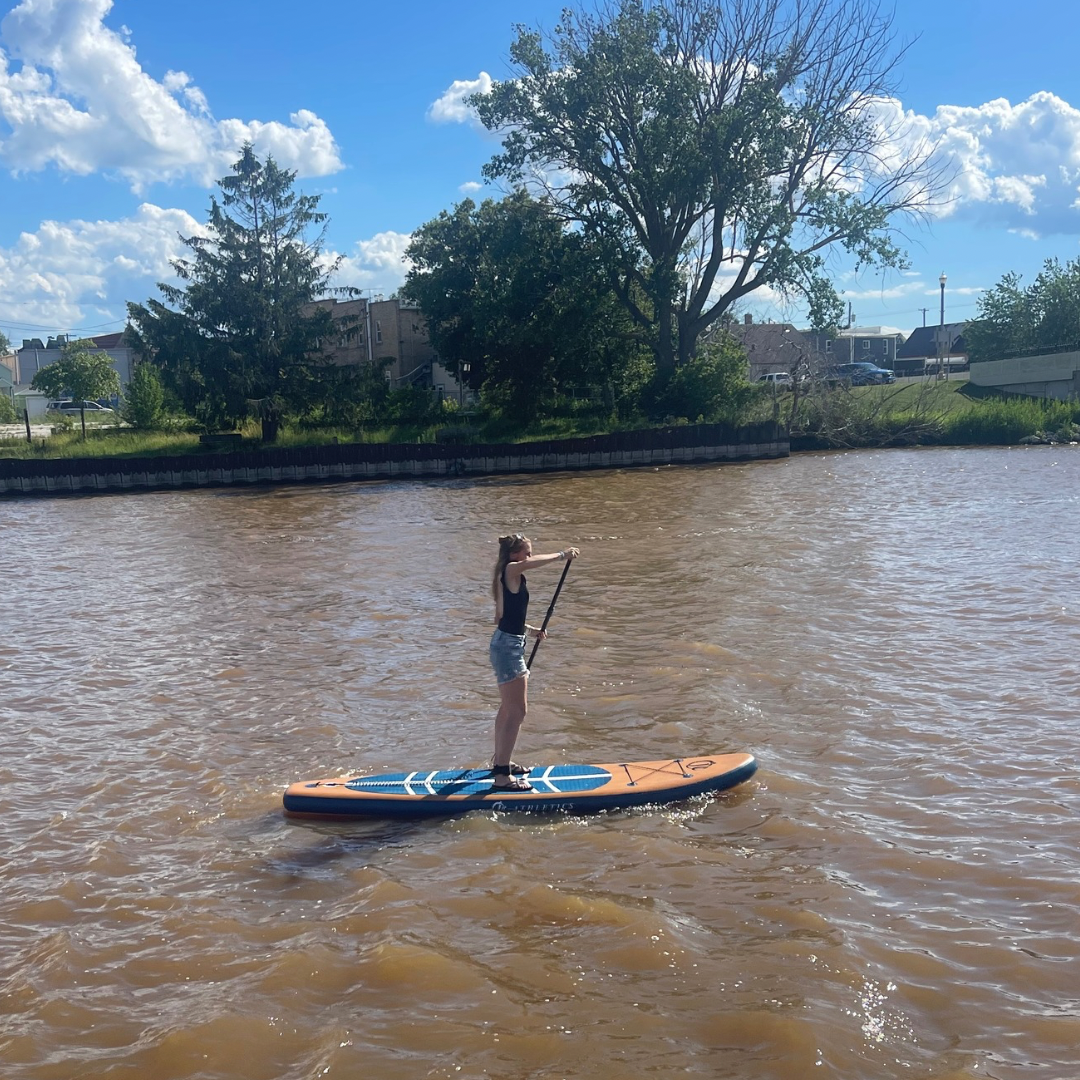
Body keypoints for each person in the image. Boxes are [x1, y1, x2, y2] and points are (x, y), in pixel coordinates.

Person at [489, 533, 579, 791]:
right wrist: (562, 555)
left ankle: (500, 762)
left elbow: (502, 619)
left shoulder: (506, 577)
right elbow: (531, 563)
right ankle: (502, 777)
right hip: (507, 648)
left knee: (507, 709)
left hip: (507, 642)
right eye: (527, 553)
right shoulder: (510, 569)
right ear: (514, 555)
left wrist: (530, 631)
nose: (529, 557)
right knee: (518, 711)